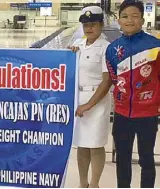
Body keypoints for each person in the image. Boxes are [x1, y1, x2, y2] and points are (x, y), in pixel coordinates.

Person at [105, 0, 160, 188]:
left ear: (143, 20)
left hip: (147, 114)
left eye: (135, 16)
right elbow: (113, 78)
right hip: (121, 115)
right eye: (125, 16)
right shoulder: (112, 49)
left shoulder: (155, 47)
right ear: (118, 20)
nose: (129, 20)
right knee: (122, 159)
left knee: (146, 159)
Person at [68, 6, 112, 188]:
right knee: (82, 144)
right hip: (79, 98)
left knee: (95, 144)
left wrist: (89, 105)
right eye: (86, 25)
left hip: (97, 100)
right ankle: (82, 182)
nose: (89, 28)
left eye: (93, 24)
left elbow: (107, 81)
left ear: (101, 25)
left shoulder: (106, 47)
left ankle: (94, 184)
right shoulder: (78, 43)